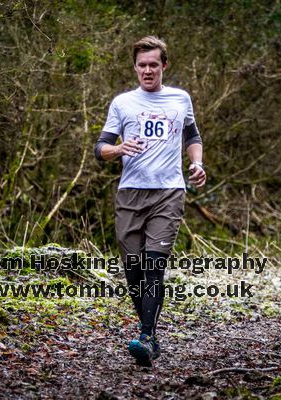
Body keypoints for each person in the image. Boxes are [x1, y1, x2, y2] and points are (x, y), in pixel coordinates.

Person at [94, 36, 206, 366]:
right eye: (142, 65)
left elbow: (192, 136)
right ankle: (149, 332)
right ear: (135, 67)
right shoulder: (122, 103)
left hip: (169, 192)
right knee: (134, 271)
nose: (147, 70)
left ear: (164, 66)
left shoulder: (180, 99)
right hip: (130, 194)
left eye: (153, 65)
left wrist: (197, 164)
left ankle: (146, 335)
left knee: (154, 266)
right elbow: (100, 149)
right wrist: (119, 149)